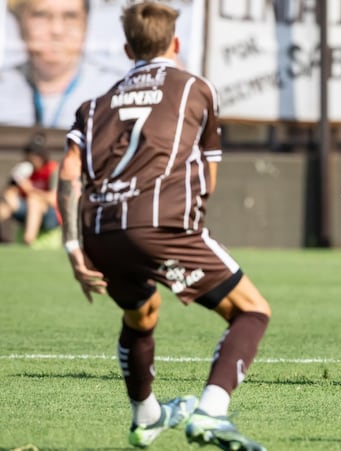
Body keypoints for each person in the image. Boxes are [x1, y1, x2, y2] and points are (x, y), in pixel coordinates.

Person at [56, 3, 270, 449]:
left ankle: (147, 416)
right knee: (251, 310)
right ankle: (211, 413)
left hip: (99, 231)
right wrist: (187, 228)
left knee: (142, 312)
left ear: (126, 48)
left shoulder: (93, 106)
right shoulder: (195, 87)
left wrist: (74, 249)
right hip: (160, 224)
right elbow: (208, 171)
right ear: (174, 44)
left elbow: (67, 175)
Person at [0, 0, 123, 128]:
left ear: (85, 24)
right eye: (41, 15)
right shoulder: (2, 88)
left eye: (70, 16)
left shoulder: (117, 91)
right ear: (20, 23)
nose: (56, 30)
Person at [0, 132, 60, 245]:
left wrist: (31, 190)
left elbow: (53, 199)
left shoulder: (52, 169)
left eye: (36, 155)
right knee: (6, 204)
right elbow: (9, 193)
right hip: (27, 212)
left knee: (34, 200)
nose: (33, 158)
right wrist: (12, 191)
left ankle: (28, 240)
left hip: (50, 215)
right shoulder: (25, 169)